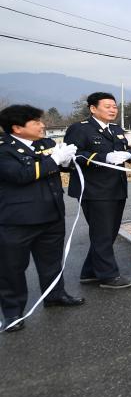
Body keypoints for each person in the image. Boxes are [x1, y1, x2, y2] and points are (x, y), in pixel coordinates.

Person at [0, 105, 84, 332]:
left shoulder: (45, 145)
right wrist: (56, 160)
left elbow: (56, 168)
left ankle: (55, 295)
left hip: (51, 215)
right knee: (12, 268)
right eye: (36, 122)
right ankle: (12, 312)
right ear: (17, 128)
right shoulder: (4, 150)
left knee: (52, 262)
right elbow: (21, 175)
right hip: (18, 220)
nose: (42, 125)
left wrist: (66, 161)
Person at [64, 92, 131, 289]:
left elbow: (129, 150)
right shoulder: (80, 129)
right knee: (102, 233)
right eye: (108, 106)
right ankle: (108, 276)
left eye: (114, 106)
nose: (113, 109)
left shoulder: (116, 129)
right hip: (94, 190)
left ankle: (89, 272)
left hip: (116, 188)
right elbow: (73, 155)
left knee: (108, 233)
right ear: (93, 108)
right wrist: (103, 158)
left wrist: (127, 154)